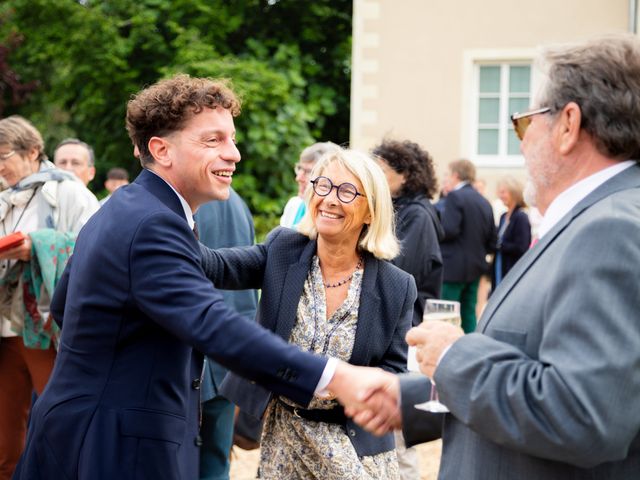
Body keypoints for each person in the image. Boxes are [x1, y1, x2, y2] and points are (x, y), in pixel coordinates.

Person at [13, 75, 396, 480]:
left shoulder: (128, 207)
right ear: (161, 150)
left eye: (231, 139)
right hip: (111, 447)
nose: (234, 154)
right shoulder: (151, 224)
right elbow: (213, 324)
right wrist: (337, 376)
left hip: (84, 432)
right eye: (213, 140)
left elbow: (63, 303)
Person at [353, 33, 640, 479]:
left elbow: (582, 414)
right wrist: (415, 397)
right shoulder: (600, 219)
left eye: (525, 123)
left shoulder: (611, 229)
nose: (522, 144)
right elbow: (529, 367)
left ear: (567, 125)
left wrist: (452, 358)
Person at [200, 147, 416, 479]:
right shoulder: (283, 250)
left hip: (351, 451)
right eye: (323, 185)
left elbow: (394, 371)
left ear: (371, 212)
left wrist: (356, 392)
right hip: (284, 442)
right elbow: (216, 265)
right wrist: (171, 211)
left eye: (346, 191)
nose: (329, 198)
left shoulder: (396, 286)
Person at [0, 116, 99, 479]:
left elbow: (95, 249)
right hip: (4, 326)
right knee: (5, 437)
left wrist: (36, 246)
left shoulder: (69, 191)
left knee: (61, 423)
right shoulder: (2, 193)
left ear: (33, 152)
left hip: (46, 325)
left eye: (4, 156)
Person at [372, 139, 443, 479]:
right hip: (395, 331)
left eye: (382, 171)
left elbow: (398, 271)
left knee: (400, 441)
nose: (375, 176)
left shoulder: (417, 216)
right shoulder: (401, 210)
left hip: (407, 334)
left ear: (405, 175)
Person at [194, 188, 258, 480]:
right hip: (232, 344)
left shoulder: (186, 202)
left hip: (197, 343)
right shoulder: (238, 202)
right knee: (217, 457)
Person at [439, 159, 496, 332]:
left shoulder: (455, 197)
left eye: (448, 174)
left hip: (452, 268)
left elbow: (449, 230)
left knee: (445, 316)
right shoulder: (484, 201)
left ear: (456, 175)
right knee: (469, 314)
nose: (447, 178)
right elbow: (492, 239)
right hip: (475, 269)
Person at [280, 141, 340, 229]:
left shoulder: (331, 216)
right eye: (299, 168)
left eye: (308, 171)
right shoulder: (294, 205)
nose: (298, 178)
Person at [491, 176, 531, 289]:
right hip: (499, 267)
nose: (500, 196)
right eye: (499, 193)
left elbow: (521, 247)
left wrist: (500, 245)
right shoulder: (503, 216)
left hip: (512, 269)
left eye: (503, 192)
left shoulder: (521, 217)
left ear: (514, 193)